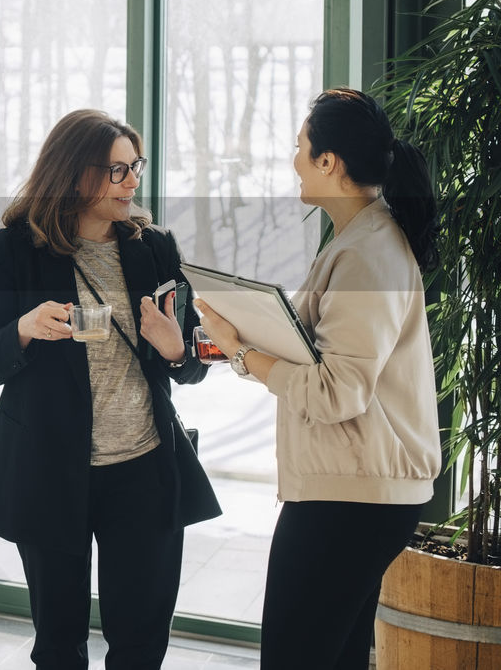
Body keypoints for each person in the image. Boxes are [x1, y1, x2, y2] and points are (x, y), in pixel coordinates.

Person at [195, 88, 440, 670]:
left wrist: (240, 353)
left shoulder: (367, 254)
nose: (294, 161)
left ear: (330, 162)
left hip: (350, 496)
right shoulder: (359, 241)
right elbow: (322, 361)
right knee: (338, 655)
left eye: (301, 149)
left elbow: (338, 391)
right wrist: (247, 336)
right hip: (353, 490)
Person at [0, 109, 216, 670]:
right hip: (50, 470)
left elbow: (193, 362)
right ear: (75, 173)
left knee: (140, 643)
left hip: (144, 470)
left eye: (135, 168)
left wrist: (177, 348)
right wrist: (25, 329)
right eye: (117, 171)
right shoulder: (18, 249)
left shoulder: (154, 248)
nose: (132, 183)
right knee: (57, 644)